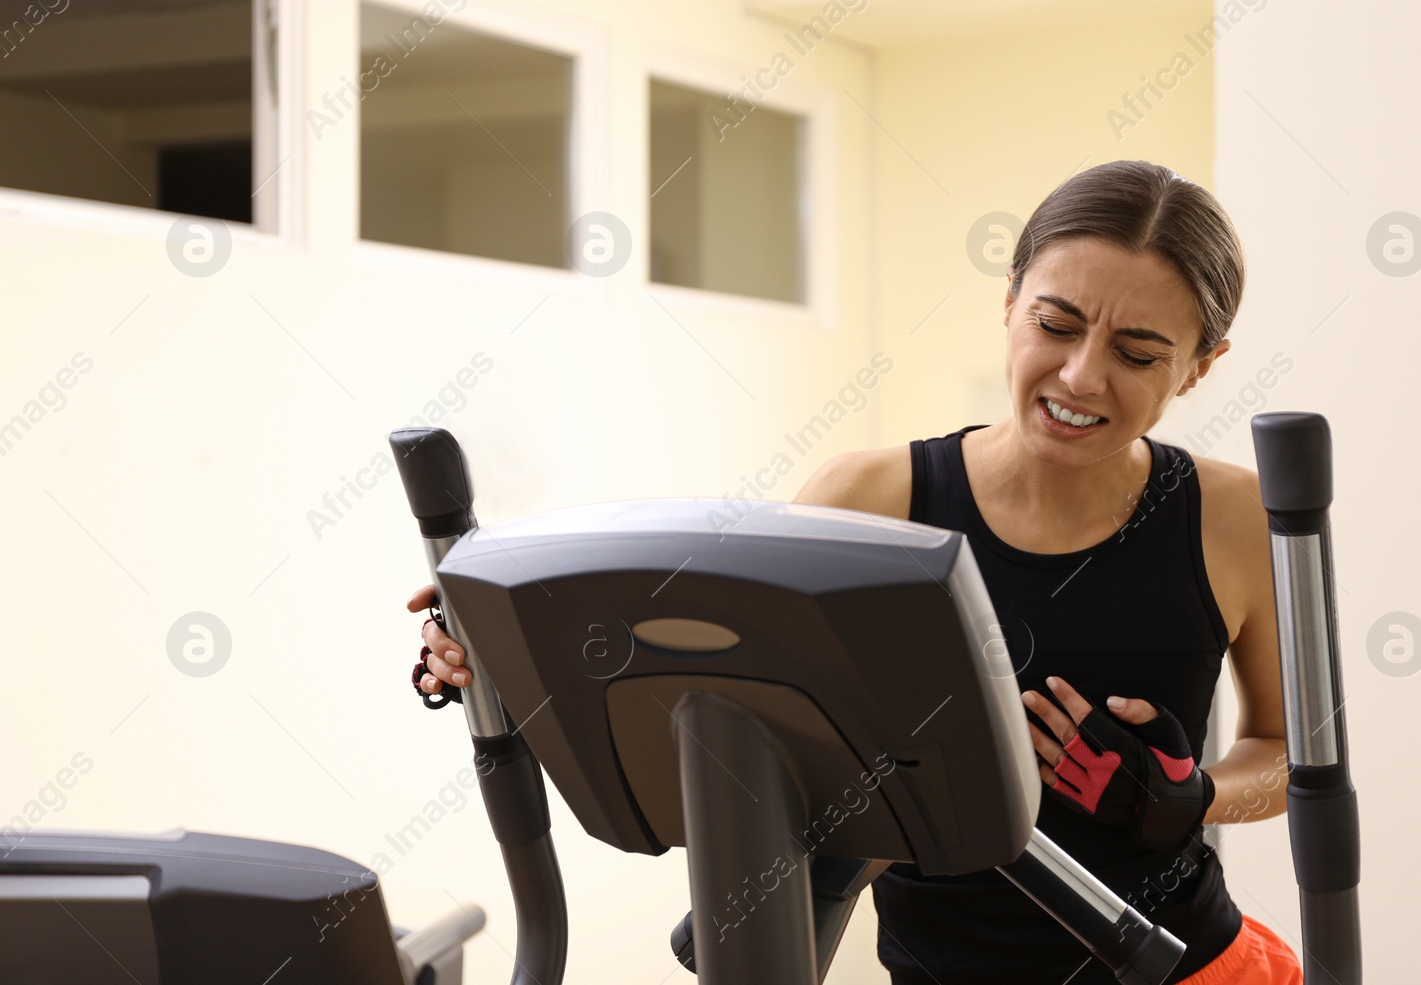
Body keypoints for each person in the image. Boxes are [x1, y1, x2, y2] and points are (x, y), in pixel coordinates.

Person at [410, 160, 1304, 984]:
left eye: (1138, 354)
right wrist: (507, 652)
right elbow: (727, 702)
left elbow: (1290, 753)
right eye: (1055, 324)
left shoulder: (1231, 519)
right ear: (1009, 302)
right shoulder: (868, 498)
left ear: (1199, 367)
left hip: (1185, 966)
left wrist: (1188, 801)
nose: (1080, 375)